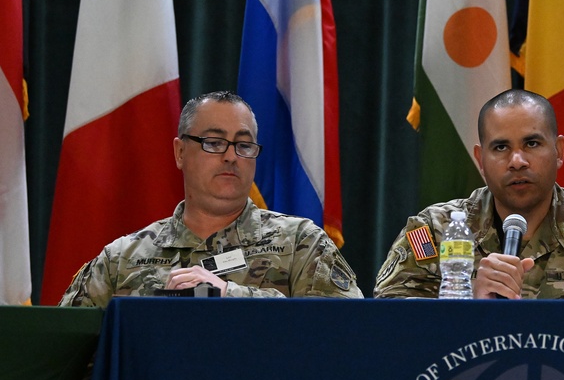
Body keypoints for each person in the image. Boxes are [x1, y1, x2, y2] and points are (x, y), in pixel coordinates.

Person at [59, 90, 362, 306]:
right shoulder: (121, 259)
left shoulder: (301, 244)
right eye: (214, 143)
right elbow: (67, 355)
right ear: (180, 152)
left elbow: (345, 333)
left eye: (243, 146)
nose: (231, 156)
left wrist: (230, 296)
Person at [374, 89, 564, 299]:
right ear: (480, 160)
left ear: (558, 152)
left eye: (531, 144)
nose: (517, 161)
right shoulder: (435, 229)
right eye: (500, 148)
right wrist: (467, 300)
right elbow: (386, 323)